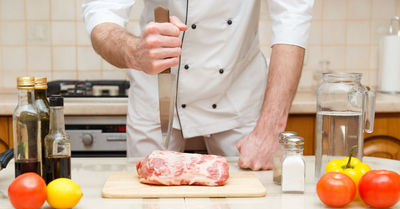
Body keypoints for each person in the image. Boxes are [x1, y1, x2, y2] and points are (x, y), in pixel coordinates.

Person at [82, 0, 314, 170]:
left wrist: (271, 129)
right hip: (157, 95)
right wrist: (134, 51)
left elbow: (292, 19)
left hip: (237, 95)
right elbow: (102, 14)